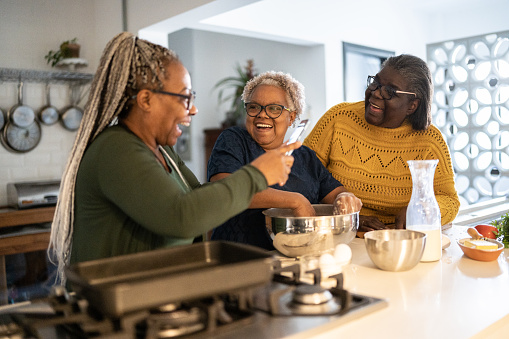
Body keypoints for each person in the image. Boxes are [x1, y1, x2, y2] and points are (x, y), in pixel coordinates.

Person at [49, 33, 299, 283]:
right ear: (146, 100)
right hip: (111, 305)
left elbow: (198, 200)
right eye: (185, 97)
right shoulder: (116, 149)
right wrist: (258, 174)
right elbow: (182, 217)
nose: (193, 109)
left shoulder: (161, 150)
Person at [303, 54, 460, 233]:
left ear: (412, 105)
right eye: (375, 83)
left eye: (390, 92)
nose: (376, 93)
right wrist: (351, 219)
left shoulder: (430, 141)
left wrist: (417, 212)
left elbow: (449, 200)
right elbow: (303, 179)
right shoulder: (338, 118)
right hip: (338, 235)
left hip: (398, 241)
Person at [207, 71, 361, 250]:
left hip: (298, 257)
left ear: (292, 117)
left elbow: (336, 194)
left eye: (274, 109)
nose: (262, 115)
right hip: (238, 259)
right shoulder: (234, 140)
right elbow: (223, 190)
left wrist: (346, 197)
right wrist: (295, 201)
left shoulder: (305, 157)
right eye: (254, 107)